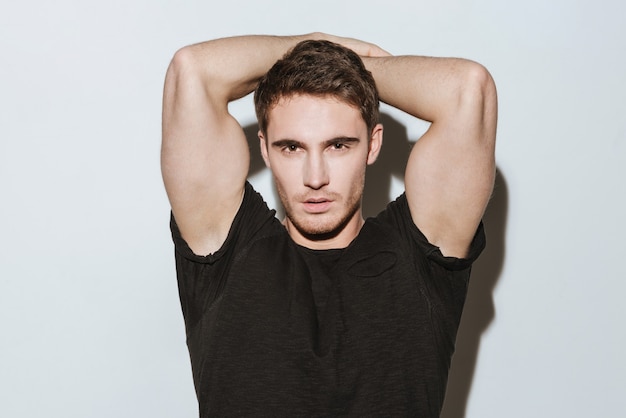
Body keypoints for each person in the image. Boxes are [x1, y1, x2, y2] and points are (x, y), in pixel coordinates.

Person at [161, 33, 497, 417]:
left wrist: (348, 64)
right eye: (292, 147)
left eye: (338, 145)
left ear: (372, 145)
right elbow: (193, 70)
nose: (315, 177)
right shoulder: (228, 251)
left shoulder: (417, 258)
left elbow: (469, 89)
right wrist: (314, 46)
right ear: (264, 149)